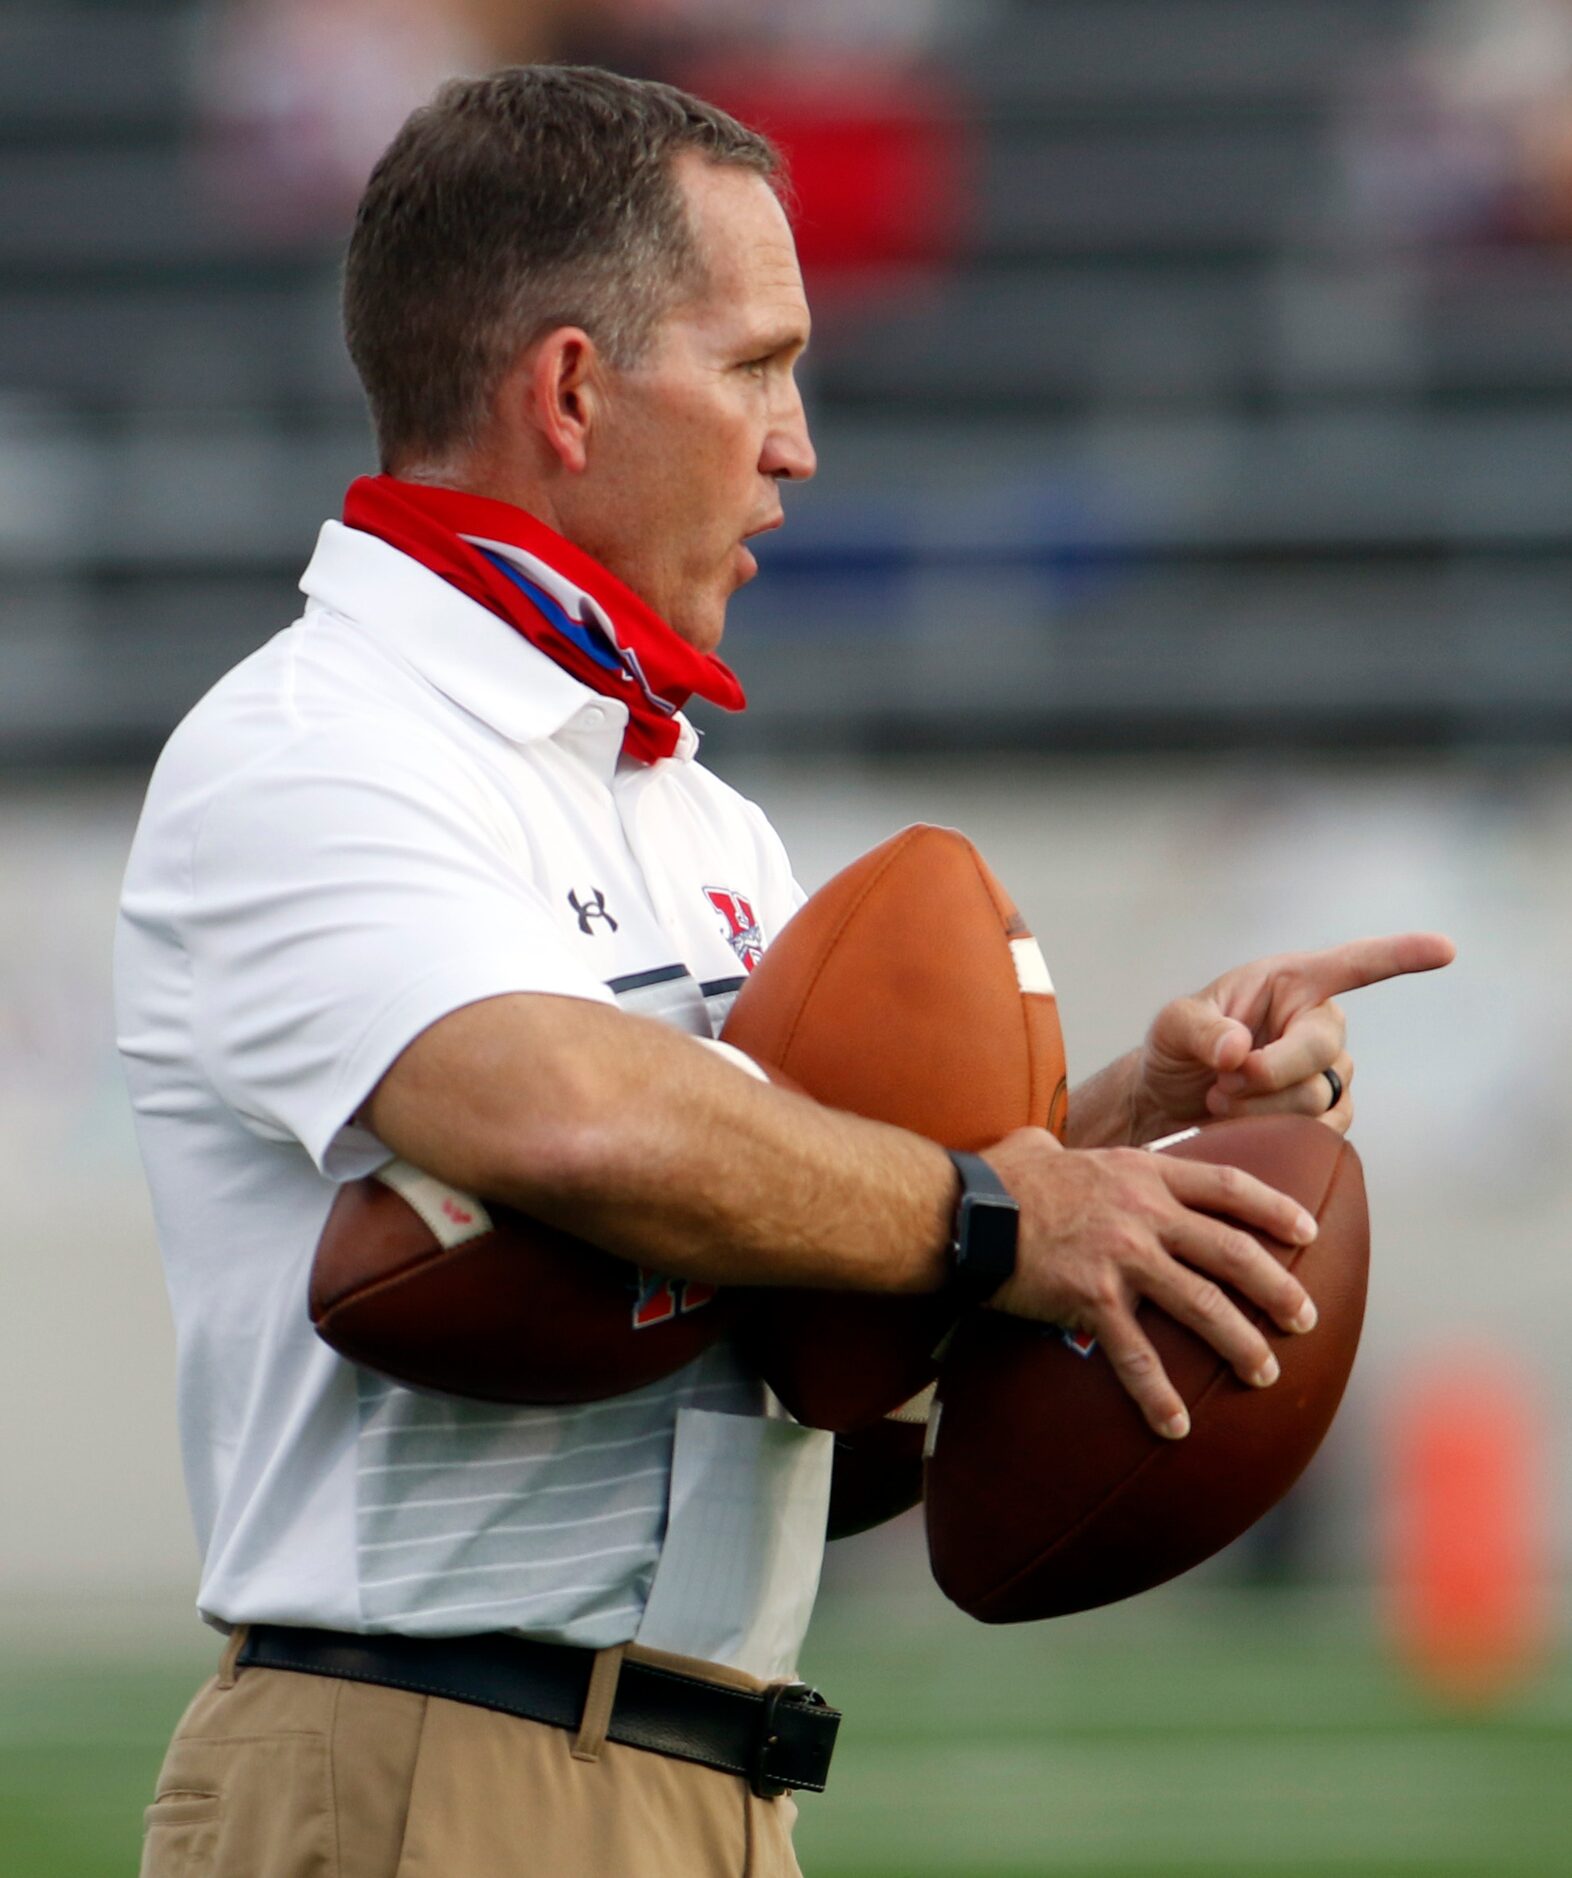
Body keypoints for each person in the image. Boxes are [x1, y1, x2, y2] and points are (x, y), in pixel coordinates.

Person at [115, 65, 1455, 1878]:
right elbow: (563, 1116)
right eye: (755, 364)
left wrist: (1140, 1122)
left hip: (706, 1776)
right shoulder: (317, 744)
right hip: (432, 1761)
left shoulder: (685, 811)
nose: (800, 438)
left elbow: (817, 1229)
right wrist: (1003, 1211)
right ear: (573, 391)